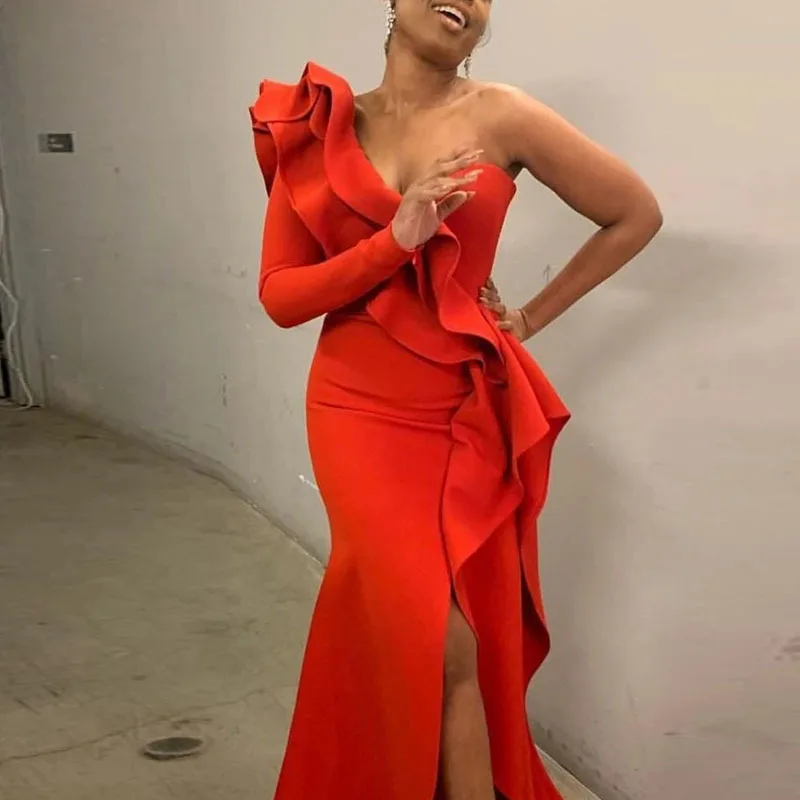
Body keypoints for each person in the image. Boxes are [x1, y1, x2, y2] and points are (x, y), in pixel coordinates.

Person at [249, 1, 661, 798]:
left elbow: (634, 214)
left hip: (464, 411)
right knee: (441, 642)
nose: (467, 0)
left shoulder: (503, 114)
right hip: (357, 412)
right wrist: (393, 242)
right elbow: (282, 296)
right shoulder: (321, 124)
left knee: (461, 639)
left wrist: (528, 318)